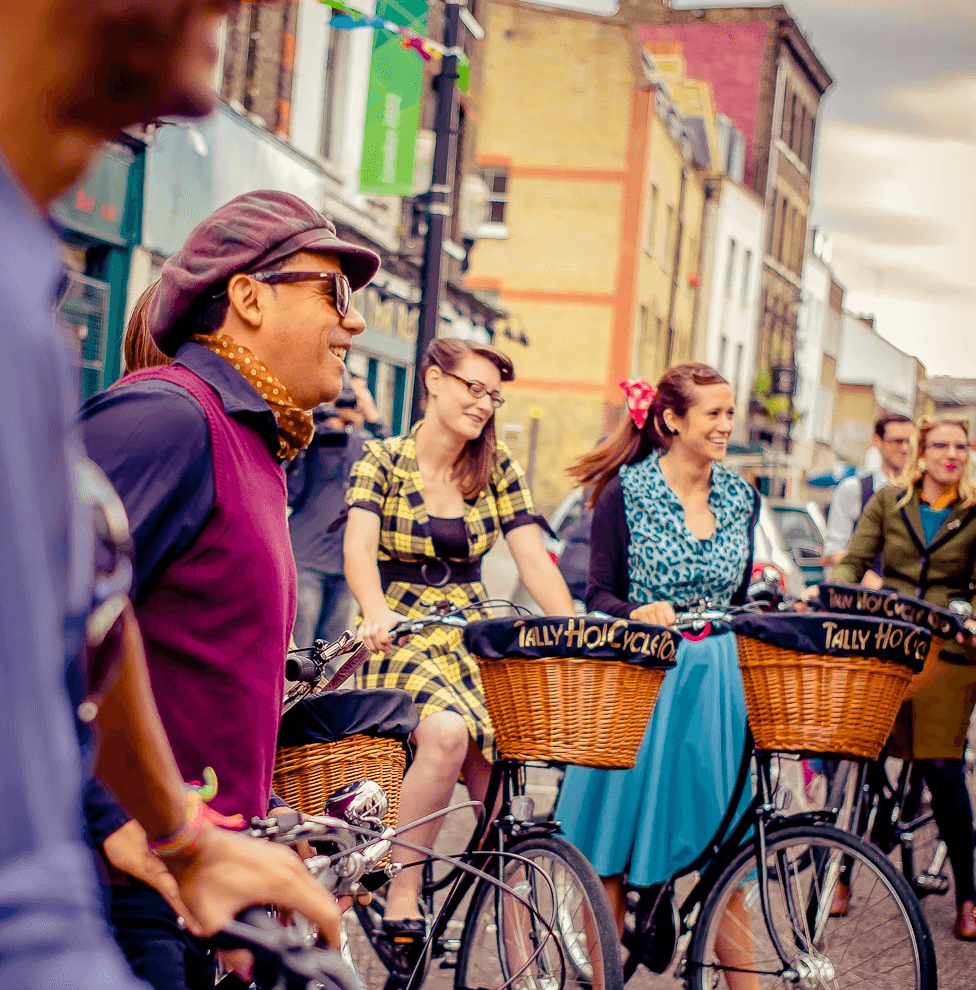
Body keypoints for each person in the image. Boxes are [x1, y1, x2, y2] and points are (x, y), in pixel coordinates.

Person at [0, 3, 360, 987]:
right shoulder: (168, 417)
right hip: (113, 906)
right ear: (247, 296)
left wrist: (190, 837)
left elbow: (90, 614)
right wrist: (119, 826)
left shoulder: (241, 436)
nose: (355, 323)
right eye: (333, 292)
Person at [343, 338, 575, 956]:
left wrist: (574, 631)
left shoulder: (498, 468)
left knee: (502, 772)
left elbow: (533, 559)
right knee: (446, 734)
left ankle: (519, 936)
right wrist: (374, 612)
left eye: (493, 396)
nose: (484, 404)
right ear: (434, 381)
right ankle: (402, 885)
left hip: (473, 627)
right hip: (398, 626)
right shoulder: (383, 458)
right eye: (473, 388)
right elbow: (359, 547)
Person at [554, 364, 762, 990]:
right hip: (643, 681)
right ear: (673, 421)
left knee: (728, 859)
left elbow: (743, 593)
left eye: (730, 413)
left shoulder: (743, 497)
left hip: (718, 688)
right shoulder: (627, 491)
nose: (727, 425)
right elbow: (598, 591)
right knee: (610, 851)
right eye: (715, 414)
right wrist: (636, 612)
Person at [832, 413, 976, 939]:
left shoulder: (974, 511)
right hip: (890, 643)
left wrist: (965, 613)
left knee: (941, 768)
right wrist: (835, 592)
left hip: (951, 649)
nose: (951, 455)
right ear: (920, 450)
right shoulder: (888, 503)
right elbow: (853, 562)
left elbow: (974, 589)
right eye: (940, 445)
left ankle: (969, 896)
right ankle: (841, 875)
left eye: (960, 446)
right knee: (864, 758)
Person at [287, 402, 366, 647]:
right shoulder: (311, 444)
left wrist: (373, 418)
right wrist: (303, 448)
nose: (351, 408)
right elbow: (291, 493)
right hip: (308, 561)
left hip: (347, 568)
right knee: (300, 651)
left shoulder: (365, 445)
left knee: (335, 652)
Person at [823, 413, 914, 571]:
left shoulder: (920, 492)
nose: (905, 448)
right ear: (877, 441)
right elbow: (833, 553)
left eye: (910, 442)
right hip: (864, 591)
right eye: (897, 441)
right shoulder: (853, 489)